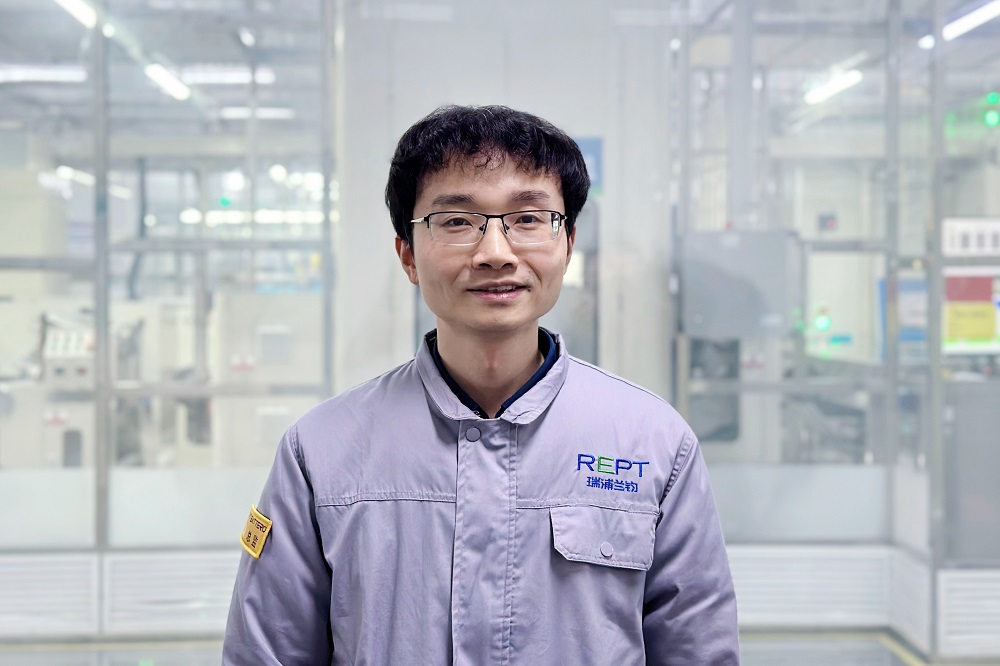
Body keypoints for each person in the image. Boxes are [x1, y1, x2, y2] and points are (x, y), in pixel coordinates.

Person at [222, 105, 740, 665]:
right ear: (407, 255)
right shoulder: (321, 451)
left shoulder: (654, 442)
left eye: (528, 218)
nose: (495, 253)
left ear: (567, 245)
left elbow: (698, 651)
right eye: (456, 222)